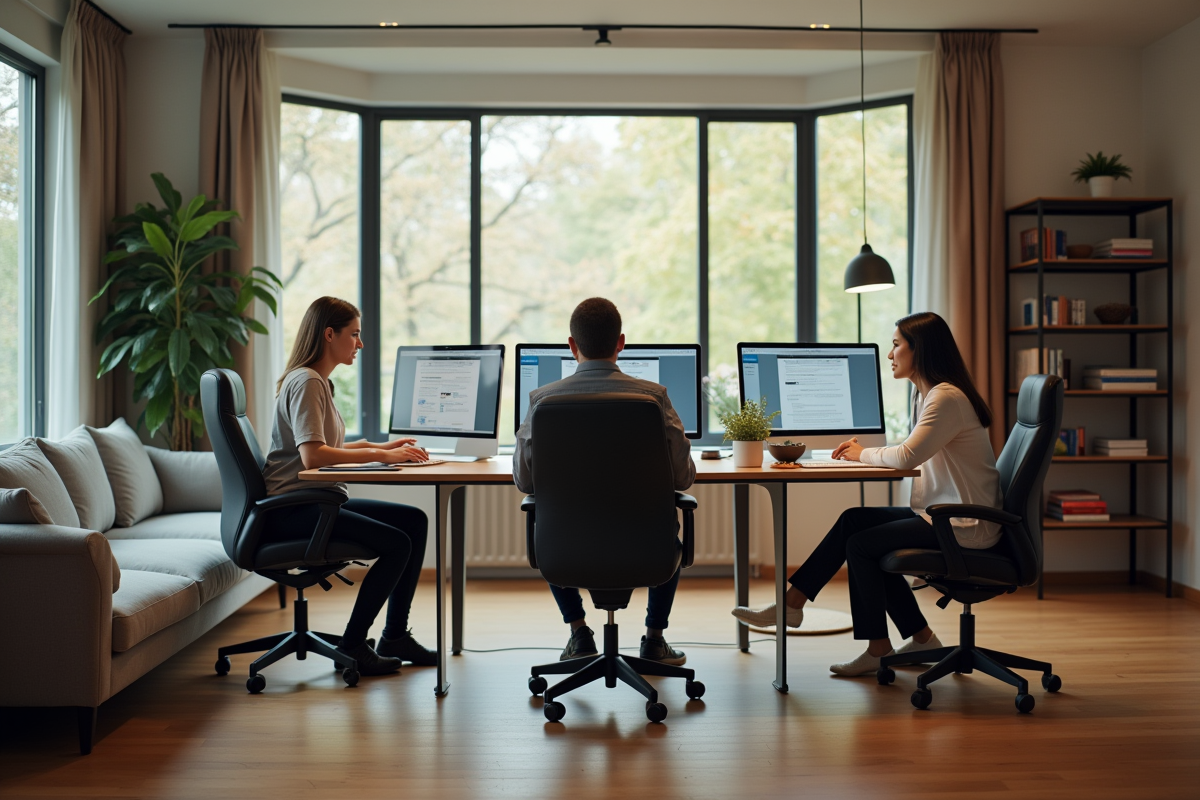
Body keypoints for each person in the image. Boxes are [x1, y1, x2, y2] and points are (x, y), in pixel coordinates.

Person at [732, 311, 1003, 677]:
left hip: (964, 523)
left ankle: (875, 646)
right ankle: (918, 638)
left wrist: (861, 454)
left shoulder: (946, 398)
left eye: (895, 345)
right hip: (943, 514)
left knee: (861, 545)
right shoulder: (929, 396)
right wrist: (866, 452)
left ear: (918, 349)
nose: (889, 355)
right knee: (854, 519)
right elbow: (910, 450)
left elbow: (907, 456)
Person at [513, 297, 697, 666]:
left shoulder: (541, 401)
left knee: (548, 522)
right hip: (647, 549)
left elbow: (524, 481)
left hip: (565, 550)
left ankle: (580, 633)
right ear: (621, 343)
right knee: (667, 528)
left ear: (571, 345)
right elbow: (683, 477)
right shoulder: (654, 398)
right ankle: (654, 640)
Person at [261, 296, 437, 676]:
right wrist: (385, 458)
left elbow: (330, 446)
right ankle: (354, 645)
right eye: (354, 334)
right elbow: (314, 456)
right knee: (398, 543)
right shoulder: (307, 381)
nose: (360, 344)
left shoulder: (316, 381)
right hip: (295, 509)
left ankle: (394, 636)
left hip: (314, 503)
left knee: (414, 521)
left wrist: (381, 447)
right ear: (329, 334)